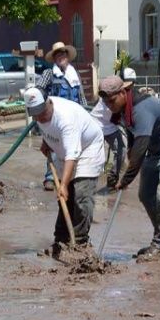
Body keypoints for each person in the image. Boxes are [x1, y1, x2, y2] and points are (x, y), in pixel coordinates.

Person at [99, 75, 160, 261]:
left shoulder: (141, 108)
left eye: (111, 101)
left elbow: (141, 147)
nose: (109, 105)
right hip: (156, 150)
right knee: (145, 194)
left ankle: (159, 245)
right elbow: (133, 134)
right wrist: (129, 157)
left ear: (122, 93)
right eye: (105, 102)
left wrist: (126, 179)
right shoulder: (123, 109)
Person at [23, 86, 104, 251]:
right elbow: (49, 130)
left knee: (81, 195)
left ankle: (80, 242)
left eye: (42, 112)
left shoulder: (66, 118)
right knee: (64, 200)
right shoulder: (40, 115)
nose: (40, 117)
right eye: (35, 114)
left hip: (87, 149)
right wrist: (47, 142)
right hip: (63, 150)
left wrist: (64, 184)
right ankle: (61, 239)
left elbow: (71, 157)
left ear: (48, 102)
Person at [37, 41, 87, 191]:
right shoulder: (49, 74)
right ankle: (50, 177)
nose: (61, 56)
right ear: (54, 58)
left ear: (67, 56)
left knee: (73, 147)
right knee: (52, 145)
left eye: (63, 53)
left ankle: (72, 176)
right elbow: (38, 90)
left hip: (73, 118)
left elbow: (81, 95)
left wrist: (86, 113)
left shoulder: (74, 74)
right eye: (57, 54)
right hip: (55, 117)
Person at [90, 67, 135, 190]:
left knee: (122, 149)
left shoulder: (126, 95)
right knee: (95, 155)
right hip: (96, 125)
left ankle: (112, 178)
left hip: (110, 126)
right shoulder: (111, 98)